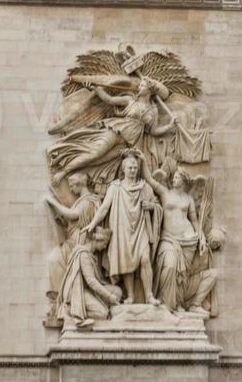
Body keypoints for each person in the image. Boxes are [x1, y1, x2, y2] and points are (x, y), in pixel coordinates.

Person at [49, 76, 177, 186]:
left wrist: (169, 127)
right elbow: (109, 100)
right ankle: (63, 172)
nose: (139, 87)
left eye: (142, 86)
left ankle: (74, 173)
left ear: (149, 90)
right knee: (95, 153)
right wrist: (95, 89)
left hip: (128, 144)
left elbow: (153, 131)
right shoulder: (130, 100)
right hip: (117, 131)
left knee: (100, 160)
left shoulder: (153, 111)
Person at [83, 151, 162, 306]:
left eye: (135, 168)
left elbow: (157, 205)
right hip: (123, 229)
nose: (133, 170)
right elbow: (105, 207)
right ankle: (131, 296)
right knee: (126, 262)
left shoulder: (144, 187)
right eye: (130, 168)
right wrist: (92, 224)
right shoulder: (115, 187)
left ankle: (149, 295)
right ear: (123, 169)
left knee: (145, 258)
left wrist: (151, 206)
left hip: (141, 228)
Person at [137, 153, 200, 312]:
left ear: (184, 180)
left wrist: (202, 237)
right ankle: (166, 304)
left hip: (187, 240)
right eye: (174, 177)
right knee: (170, 266)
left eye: (178, 177)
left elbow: (194, 220)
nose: (174, 179)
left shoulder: (188, 199)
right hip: (168, 239)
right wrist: (143, 161)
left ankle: (178, 303)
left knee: (182, 273)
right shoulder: (165, 193)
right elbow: (149, 180)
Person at [44, 172, 100, 307]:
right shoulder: (82, 201)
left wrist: (53, 203)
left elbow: (74, 215)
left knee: (54, 259)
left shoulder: (88, 200)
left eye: (72, 186)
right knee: (54, 259)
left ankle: (62, 299)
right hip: (73, 239)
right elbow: (74, 221)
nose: (71, 189)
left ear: (79, 184)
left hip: (79, 242)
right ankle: (60, 299)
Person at [57, 227, 123, 326]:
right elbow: (91, 281)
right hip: (76, 291)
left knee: (117, 291)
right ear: (97, 240)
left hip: (86, 289)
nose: (105, 247)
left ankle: (99, 305)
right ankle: (72, 313)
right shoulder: (84, 254)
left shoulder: (91, 255)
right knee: (102, 313)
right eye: (105, 243)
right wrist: (109, 296)